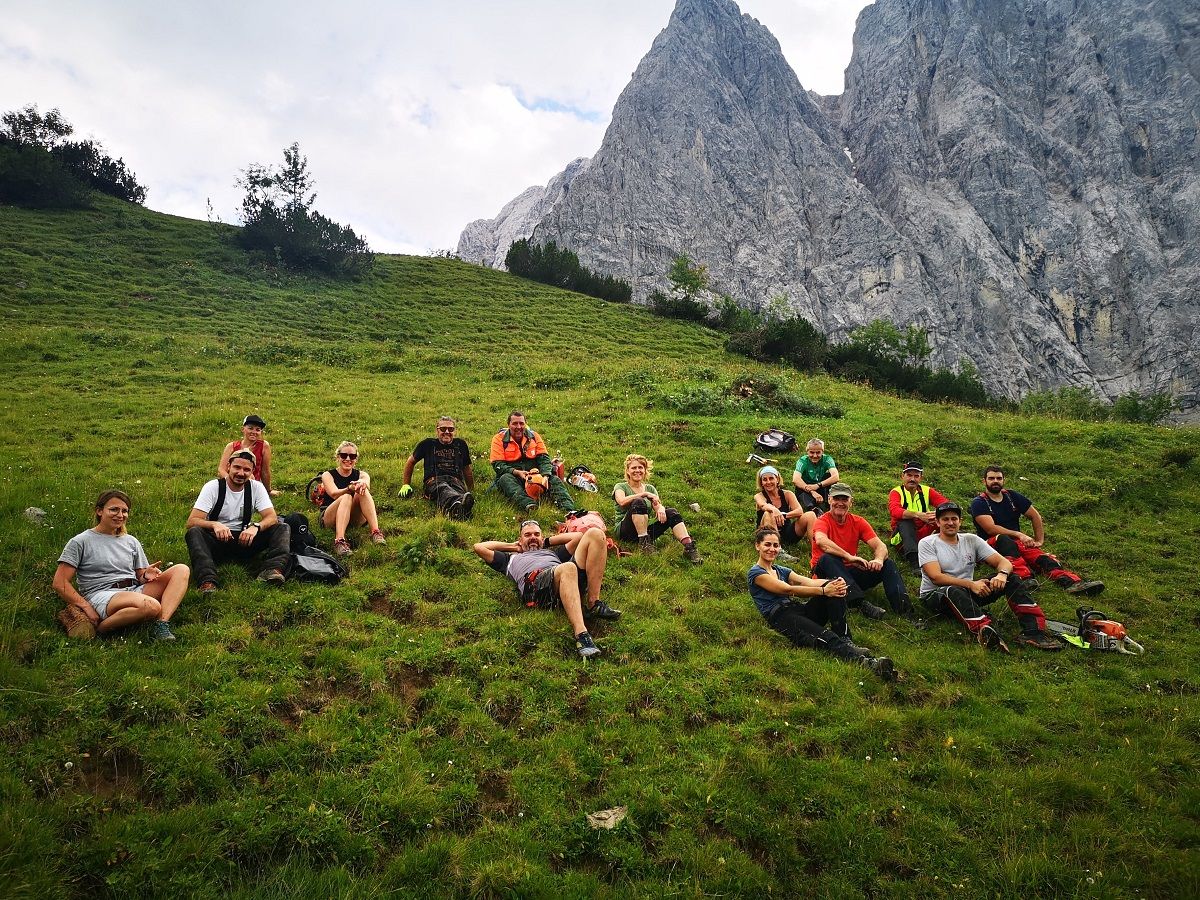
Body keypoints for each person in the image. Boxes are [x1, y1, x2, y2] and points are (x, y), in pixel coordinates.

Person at [748, 527, 897, 680]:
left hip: (797, 608)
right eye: (767, 544)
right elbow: (788, 589)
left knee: (835, 590)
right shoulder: (756, 573)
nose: (772, 549)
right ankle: (868, 663)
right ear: (757, 546)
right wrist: (824, 591)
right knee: (825, 635)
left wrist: (833, 583)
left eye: (775, 545)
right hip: (781, 617)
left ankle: (845, 638)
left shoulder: (781, 570)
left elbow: (807, 582)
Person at [918, 501, 1061, 652]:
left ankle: (1033, 632)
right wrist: (971, 584)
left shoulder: (971, 540)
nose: (950, 523)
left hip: (968, 591)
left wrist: (1002, 575)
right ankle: (986, 632)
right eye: (945, 519)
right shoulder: (927, 543)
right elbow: (936, 577)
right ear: (938, 522)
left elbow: (1004, 562)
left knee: (1012, 578)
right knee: (951, 590)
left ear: (960, 521)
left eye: (954, 519)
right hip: (935, 596)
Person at [54, 490, 190, 640]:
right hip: (103, 595)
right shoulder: (80, 542)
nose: (120, 515)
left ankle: (161, 623)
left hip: (133, 590)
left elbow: (139, 577)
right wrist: (86, 607)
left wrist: (145, 575)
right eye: (114, 509)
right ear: (99, 511)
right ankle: (102, 628)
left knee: (181, 569)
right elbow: (60, 583)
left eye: (124, 511)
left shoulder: (130, 541)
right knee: (151, 606)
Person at [473, 519, 620, 658]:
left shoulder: (553, 554)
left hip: (564, 579)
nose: (533, 537)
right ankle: (582, 636)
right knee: (568, 567)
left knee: (595, 534)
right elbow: (479, 547)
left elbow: (578, 537)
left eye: (536, 534)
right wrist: (513, 546)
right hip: (536, 587)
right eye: (527, 535)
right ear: (520, 539)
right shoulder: (509, 559)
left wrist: (546, 542)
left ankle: (594, 604)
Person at [969, 465, 1104, 595]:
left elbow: (1035, 516)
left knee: (1040, 557)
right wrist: (1019, 534)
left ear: (1004, 480)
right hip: (990, 545)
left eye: (999, 478)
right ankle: (1024, 579)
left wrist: (1039, 541)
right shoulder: (979, 502)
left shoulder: (1011, 496)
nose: (995, 481)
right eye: (991, 478)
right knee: (1003, 540)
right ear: (984, 481)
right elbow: (991, 529)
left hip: (1016, 542)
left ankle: (1072, 582)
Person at [185, 448, 291, 591]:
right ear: (228, 467)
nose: (241, 473)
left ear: (252, 471)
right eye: (237, 467)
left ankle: (272, 570)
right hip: (217, 542)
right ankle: (207, 580)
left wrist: (256, 527)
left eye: (246, 470)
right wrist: (214, 525)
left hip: (245, 540)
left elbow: (271, 517)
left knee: (282, 527)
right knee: (194, 532)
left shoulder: (256, 488)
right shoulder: (213, 487)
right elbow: (192, 521)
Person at [811, 483, 914, 621]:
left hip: (849, 574)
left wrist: (878, 559)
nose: (840, 503)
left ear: (851, 502)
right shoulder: (822, 521)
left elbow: (880, 546)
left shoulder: (858, 521)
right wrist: (849, 557)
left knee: (888, 564)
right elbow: (822, 542)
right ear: (829, 500)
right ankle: (860, 604)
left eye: (844, 499)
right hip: (825, 575)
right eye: (836, 499)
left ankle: (905, 612)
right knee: (827, 558)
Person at [612, 453, 701, 562]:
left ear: (645, 470)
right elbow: (621, 501)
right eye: (633, 468)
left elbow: (658, 506)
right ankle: (644, 545)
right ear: (627, 471)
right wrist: (644, 494)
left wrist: (661, 508)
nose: (637, 470)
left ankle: (689, 548)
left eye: (640, 467)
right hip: (625, 532)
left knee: (672, 512)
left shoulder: (650, 488)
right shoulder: (620, 486)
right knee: (638, 502)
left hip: (644, 530)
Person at [489, 411, 576, 513]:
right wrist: (517, 472)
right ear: (508, 425)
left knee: (554, 479)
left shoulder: (534, 436)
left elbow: (544, 459)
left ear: (525, 424)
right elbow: (498, 465)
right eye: (515, 423)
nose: (518, 427)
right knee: (505, 479)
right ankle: (529, 505)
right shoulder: (498, 439)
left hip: (536, 476)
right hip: (514, 476)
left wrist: (545, 475)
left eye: (521, 423)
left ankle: (570, 511)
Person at [400, 416, 475, 519]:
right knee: (442, 488)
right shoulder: (427, 444)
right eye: (443, 429)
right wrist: (406, 485)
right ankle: (460, 506)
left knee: (458, 491)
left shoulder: (461, 444)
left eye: (451, 429)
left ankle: (458, 510)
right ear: (437, 430)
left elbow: (466, 468)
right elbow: (410, 462)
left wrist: (471, 490)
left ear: (454, 431)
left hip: (456, 481)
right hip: (434, 481)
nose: (447, 432)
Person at [317, 441, 385, 555]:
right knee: (346, 497)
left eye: (352, 456)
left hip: (353, 516)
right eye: (344, 455)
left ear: (356, 459)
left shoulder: (362, 474)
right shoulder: (328, 475)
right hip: (330, 517)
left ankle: (375, 532)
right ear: (338, 457)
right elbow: (334, 494)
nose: (348, 459)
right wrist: (349, 488)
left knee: (363, 490)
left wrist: (361, 483)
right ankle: (339, 541)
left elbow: (366, 482)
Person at [887, 461, 949, 571]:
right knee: (905, 522)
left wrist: (936, 514)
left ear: (921, 478)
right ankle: (915, 562)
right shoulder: (896, 492)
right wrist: (918, 515)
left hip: (923, 532)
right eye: (909, 475)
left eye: (916, 476)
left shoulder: (927, 490)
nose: (912, 479)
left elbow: (946, 505)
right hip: (901, 537)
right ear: (902, 476)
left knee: (945, 519)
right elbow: (895, 511)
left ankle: (951, 553)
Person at [754, 465, 816, 554]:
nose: (768, 482)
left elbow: (799, 511)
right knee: (768, 513)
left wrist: (782, 515)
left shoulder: (787, 494)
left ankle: (816, 551)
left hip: (787, 533)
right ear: (761, 483)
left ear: (777, 479)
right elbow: (763, 505)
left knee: (810, 515)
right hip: (766, 535)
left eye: (771, 478)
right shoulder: (759, 496)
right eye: (765, 479)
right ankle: (778, 550)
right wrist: (774, 510)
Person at [218, 414, 280, 497]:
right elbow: (221, 470)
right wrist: (231, 481)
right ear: (243, 429)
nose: (254, 432)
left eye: (257, 430)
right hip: (232, 481)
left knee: (250, 477)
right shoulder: (231, 446)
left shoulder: (264, 446)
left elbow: (265, 471)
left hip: (252, 484)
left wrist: (268, 490)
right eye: (250, 428)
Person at [792, 438, 840, 514]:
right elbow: (795, 479)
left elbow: (836, 477)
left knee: (829, 476)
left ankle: (829, 504)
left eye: (818, 452)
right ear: (807, 451)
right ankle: (813, 509)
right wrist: (812, 491)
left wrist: (818, 485)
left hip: (819, 486)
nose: (815, 456)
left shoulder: (827, 459)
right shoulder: (802, 461)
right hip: (807, 488)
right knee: (799, 485)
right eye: (811, 452)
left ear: (822, 452)